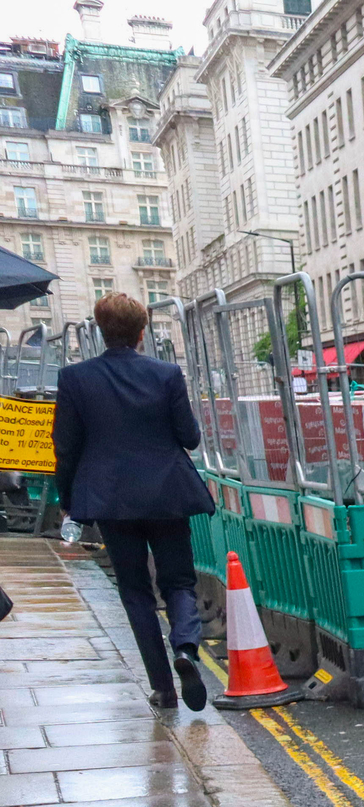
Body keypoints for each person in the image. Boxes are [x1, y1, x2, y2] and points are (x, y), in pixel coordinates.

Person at [52, 293, 215, 710]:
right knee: (178, 581)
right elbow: (190, 438)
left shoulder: (75, 379)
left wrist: (68, 498)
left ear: (100, 331)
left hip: (110, 498)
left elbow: (65, 446)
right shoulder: (166, 374)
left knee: (135, 591)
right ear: (143, 332)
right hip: (167, 493)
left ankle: (163, 688)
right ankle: (186, 649)